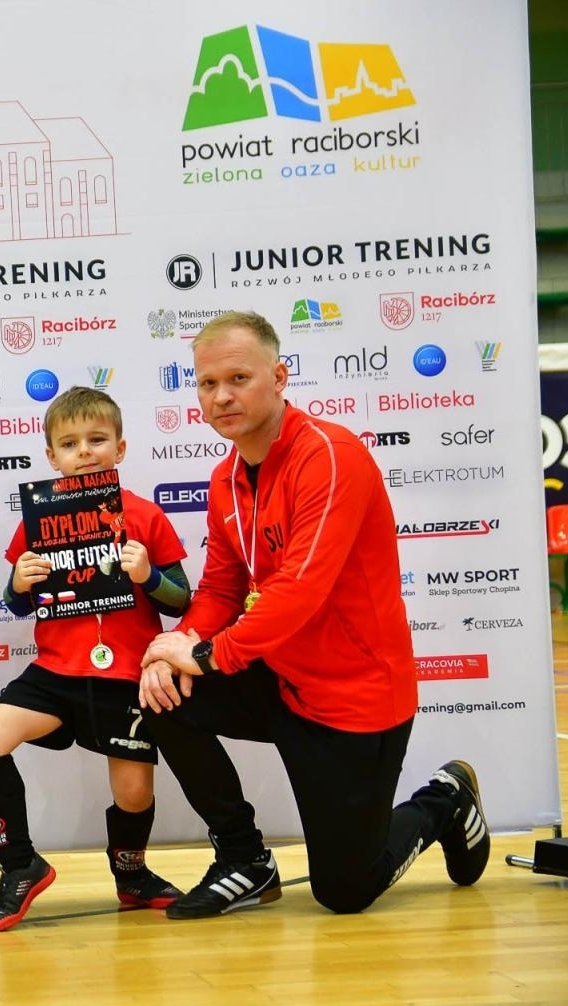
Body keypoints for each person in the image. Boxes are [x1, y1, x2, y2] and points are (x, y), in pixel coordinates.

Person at [138, 310, 489, 918]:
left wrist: (204, 654)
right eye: (206, 383)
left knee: (346, 890)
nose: (221, 396)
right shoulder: (225, 481)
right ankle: (245, 860)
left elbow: (300, 588)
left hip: (356, 697)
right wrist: (176, 646)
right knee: (161, 697)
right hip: (279, 675)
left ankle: (444, 800)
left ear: (279, 377)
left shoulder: (329, 456)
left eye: (239, 378)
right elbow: (223, 588)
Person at [0, 386, 191, 931]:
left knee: (135, 791)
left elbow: (185, 600)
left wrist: (149, 577)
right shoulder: (37, 520)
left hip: (125, 676)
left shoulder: (145, 515)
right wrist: (17, 584)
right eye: (70, 443)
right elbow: (17, 600)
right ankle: (20, 863)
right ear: (52, 457)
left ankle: (131, 875)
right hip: (55, 672)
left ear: (120, 448)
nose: (85, 451)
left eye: (97, 439)